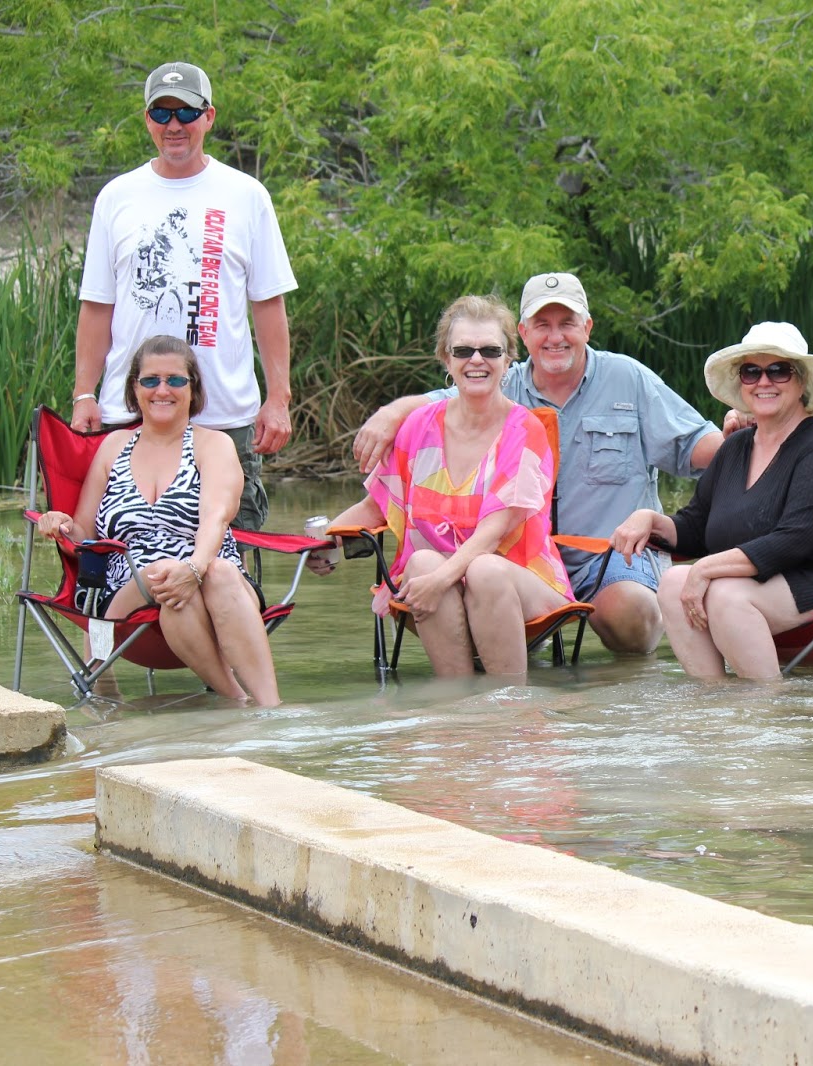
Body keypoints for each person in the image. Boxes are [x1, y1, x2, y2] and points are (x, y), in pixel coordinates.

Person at [353, 272, 723, 655]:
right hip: (517, 561)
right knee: (480, 580)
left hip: (612, 558)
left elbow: (695, 444)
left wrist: (750, 438)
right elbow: (437, 402)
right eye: (542, 325)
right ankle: (480, 701)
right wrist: (388, 414)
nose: (555, 336)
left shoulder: (627, 377)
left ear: (588, 327)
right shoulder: (495, 382)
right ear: (523, 333)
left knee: (630, 616)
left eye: (567, 324)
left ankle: (618, 694)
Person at [71, 61, 297, 531]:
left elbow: (268, 304)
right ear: (148, 120)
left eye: (187, 113)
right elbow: (96, 305)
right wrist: (84, 394)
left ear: (209, 117)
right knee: (126, 555)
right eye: (162, 112)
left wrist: (278, 398)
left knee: (228, 561)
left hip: (224, 415)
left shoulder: (246, 195)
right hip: (129, 408)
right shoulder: (116, 197)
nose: (174, 125)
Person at [609, 322, 813, 679]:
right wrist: (648, 518)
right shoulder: (734, 448)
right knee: (671, 582)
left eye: (779, 370)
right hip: (764, 584)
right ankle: (715, 704)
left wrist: (704, 569)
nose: (764, 381)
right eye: (751, 371)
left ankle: (764, 714)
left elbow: (793, 541)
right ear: (741, 382)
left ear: (802, 381)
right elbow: (696, 528)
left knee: (726, 595)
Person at [321, 295, 574, 680]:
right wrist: (323, 542)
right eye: (463, 350)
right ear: (446, 359)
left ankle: (511, 709)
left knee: (485, 570)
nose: (476, 360)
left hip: (521, 581)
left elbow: (493, 535)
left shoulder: (525, 430)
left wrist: (439, 581)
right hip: (434, 587)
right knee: (420, 562)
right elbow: (376, 507)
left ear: (508, 361)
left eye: (490, 350)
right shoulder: (417, 427)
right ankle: (455, 714)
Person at [34, 335, 280, 706]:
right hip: (126, 588)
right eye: (150, 380)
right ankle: (240, 701)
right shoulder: (113, 447)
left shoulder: (213, 445)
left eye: (175, 380)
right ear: (134, 388)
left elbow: (216, 517)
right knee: (164, 574)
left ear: (193, 388)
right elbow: (85, 533)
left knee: (217, 575)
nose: (162, 389)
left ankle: (265, 708)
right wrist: (60, 522)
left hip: (210, 574)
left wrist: (194, 568)